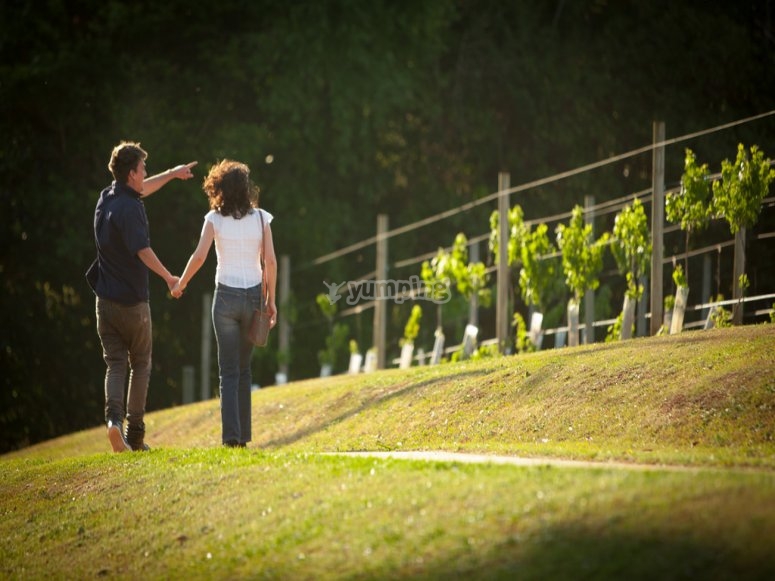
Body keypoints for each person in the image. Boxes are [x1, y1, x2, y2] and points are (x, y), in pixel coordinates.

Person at [88, 141, 196, 452]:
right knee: (142, 364)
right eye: (143, 169)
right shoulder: (132, 209)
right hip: (132, 304)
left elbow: (142, 189)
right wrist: (169, 278)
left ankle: (113, 424)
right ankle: (135, 436)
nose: (145, 173)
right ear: (132, 173)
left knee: (115, 364)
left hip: (104, 303)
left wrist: (172, 174)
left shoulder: (107, 198)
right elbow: (143, 251)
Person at [172, 159, 277, 448]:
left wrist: (181, 283)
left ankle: (231, 438)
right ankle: (244, 437)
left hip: (226, 298)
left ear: (220, 188)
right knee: (244, 370)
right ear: (245, 189)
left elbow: (199, 257)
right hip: (254, 296)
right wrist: (271, 301)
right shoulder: (261, 218)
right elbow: (269, 262)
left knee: (228, 371)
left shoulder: (214, 219)